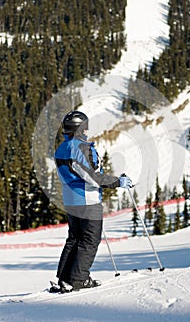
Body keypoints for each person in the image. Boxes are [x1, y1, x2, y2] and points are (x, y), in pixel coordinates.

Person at [52, 110, 132, 293]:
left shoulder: (61, 148)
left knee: (74, 239)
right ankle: (78, 280)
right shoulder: (80, 148)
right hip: (87, 200)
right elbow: (91, 176)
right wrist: (118, 181)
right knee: (89, 240)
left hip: (70, 200)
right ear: (80, 128)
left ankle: (64, 278)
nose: (87, 131)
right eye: (85, 127)